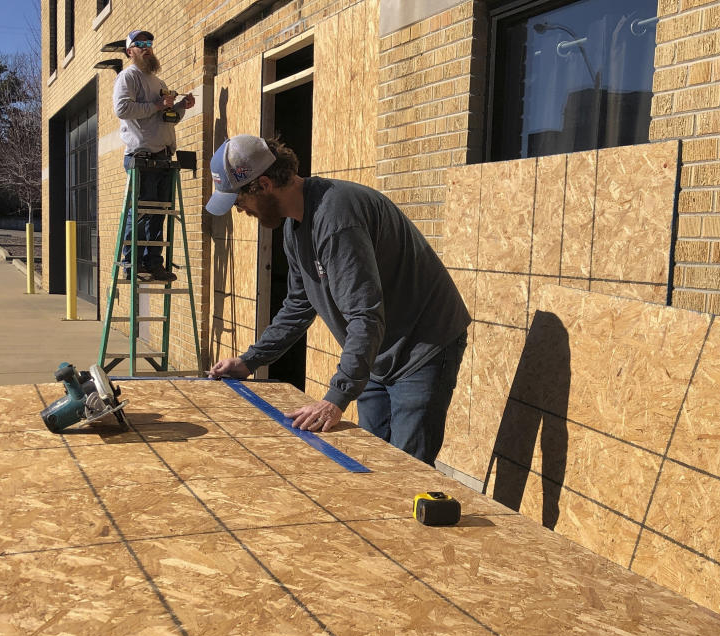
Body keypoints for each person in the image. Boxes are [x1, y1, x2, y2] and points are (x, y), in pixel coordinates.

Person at [205, 135, 470, 467]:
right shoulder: (294, 228)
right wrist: (250, 360)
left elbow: (364, 315)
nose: (240, 210)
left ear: (264, 184)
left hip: (423, 346)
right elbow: (299, 304)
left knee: (406, 468)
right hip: (378, 351)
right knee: (371, 457)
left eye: (239, 201)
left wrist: (336, 397)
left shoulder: (336, 218)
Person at [113, 29, 195, 281]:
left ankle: (153, 263)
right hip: (141, 156)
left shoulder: (159, 83)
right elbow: (122, 108)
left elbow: (166, 119)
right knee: (140, 212)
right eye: (140, 44)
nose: (146, 47)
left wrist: (180, 107)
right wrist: (157, 105)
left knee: (159, 214)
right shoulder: (128, 77)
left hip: (163, 158)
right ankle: (131, 264)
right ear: (130, 52)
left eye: (149, 43)